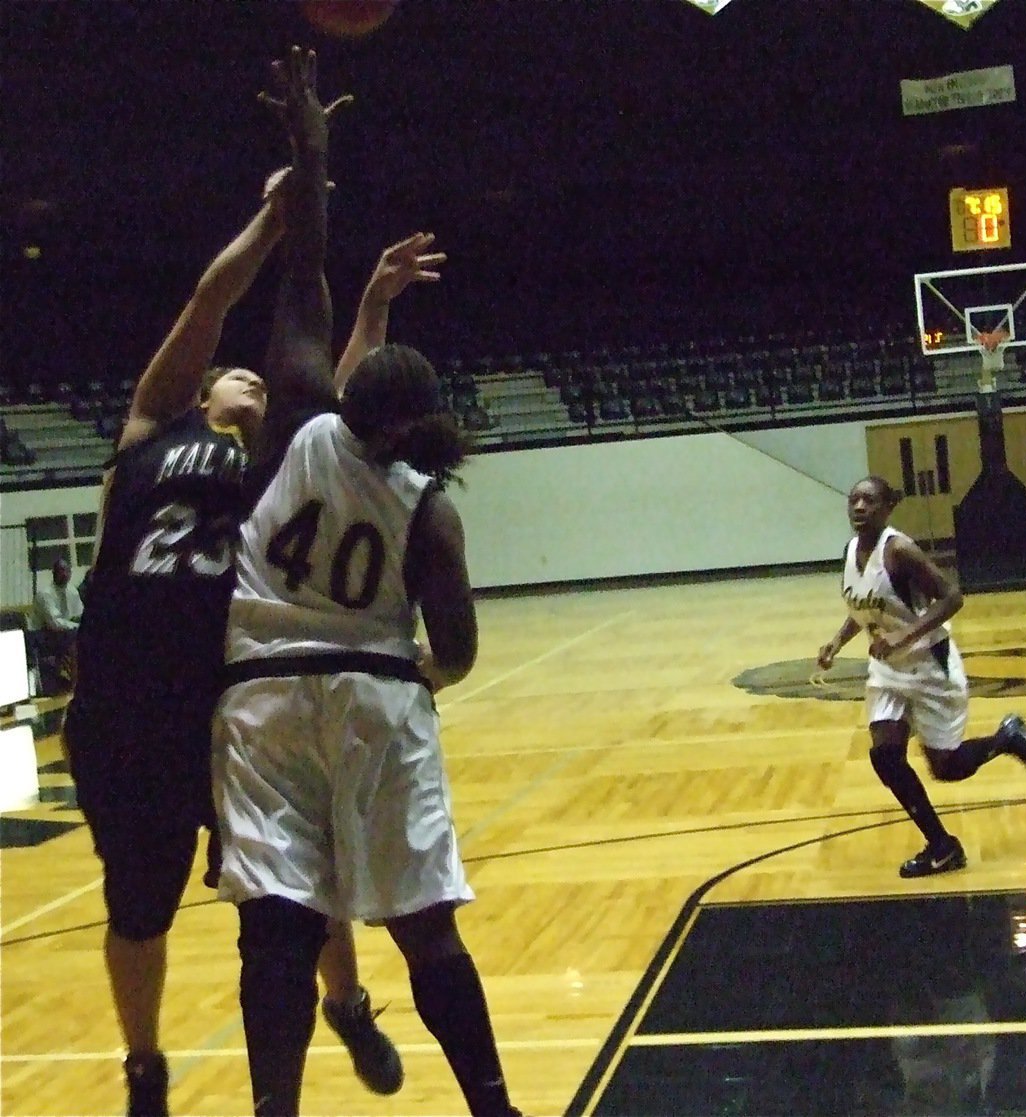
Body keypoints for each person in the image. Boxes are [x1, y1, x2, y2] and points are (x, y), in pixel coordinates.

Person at [61, 54, 401, 1115]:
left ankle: (345, 1003)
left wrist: (375, 301)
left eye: (258, 375)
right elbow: (215, 298)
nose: (250, 377)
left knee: (294, 887)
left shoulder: (288, 455)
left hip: (236, 705)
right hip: (122, 710)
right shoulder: (147, 434)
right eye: (233, 374)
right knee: (138, 910)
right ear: (206, 389)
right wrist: (274, 214)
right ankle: (145, 1065)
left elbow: (334, 381)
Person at [211, 48, 525, 1117]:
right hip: (376, 700)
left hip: (260, 695)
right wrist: (420, 672)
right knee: (425, 924)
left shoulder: (300, 415)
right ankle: (492, 1103)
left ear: (352, 402)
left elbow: (304, 274)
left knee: (278, 927)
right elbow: (462, 646)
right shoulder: (427, 502)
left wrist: (310, 148)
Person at [817, 475, 1026, 878]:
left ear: (888, 507)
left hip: (929, 667)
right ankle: (942, 846)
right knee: (885, 756)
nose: (858, 507)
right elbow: (866, 607)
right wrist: (836, 642)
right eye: (853, 499)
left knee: (947, 767)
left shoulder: (900, 550)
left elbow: (952, 596)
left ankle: (1006, 738)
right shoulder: (852, 550)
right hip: (888, 671)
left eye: (869, 500)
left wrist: (903, 636)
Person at [32, 557, 84, 691]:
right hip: (42, 635)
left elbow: (79, 615)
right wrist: (78, 627)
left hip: (63, 633)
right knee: (74, 637)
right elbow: (54, 623)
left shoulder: (72, 591)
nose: (65, 574)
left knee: (85, 635)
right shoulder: (45, 594)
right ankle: (75, 684)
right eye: (61, 571)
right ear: (54, 573)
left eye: (67, 571)